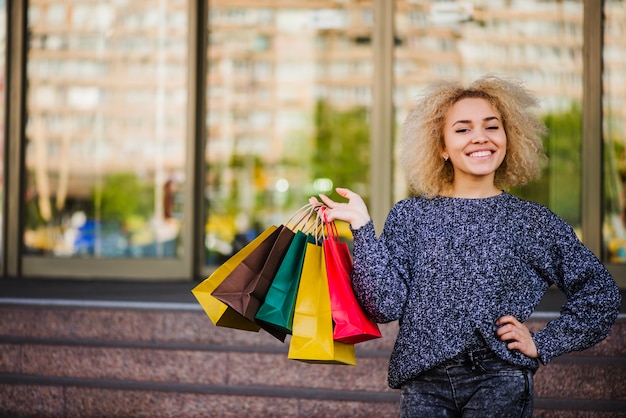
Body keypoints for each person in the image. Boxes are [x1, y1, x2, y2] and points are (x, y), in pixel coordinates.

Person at [311, 75, 621, 417]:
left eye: (492, 127)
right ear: (441, 146)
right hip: (424, 385)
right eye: (462, 129)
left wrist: (543, 343)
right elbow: (383, 307)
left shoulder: (531, 221)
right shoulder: (410, 215)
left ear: (509, 137)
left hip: (499, 381)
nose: (480, 138)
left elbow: (600, 294)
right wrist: (362, 229)